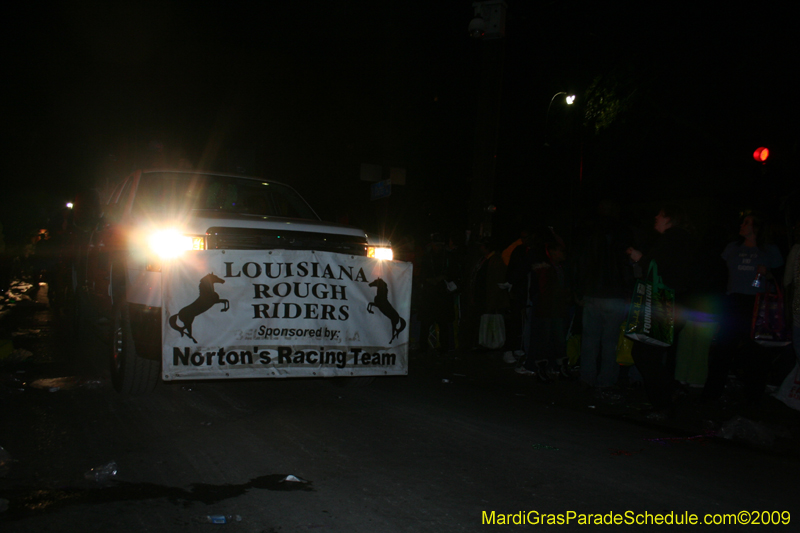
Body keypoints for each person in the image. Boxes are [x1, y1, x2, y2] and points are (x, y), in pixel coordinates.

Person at [702, 213, 783, 406]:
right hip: (734, 300)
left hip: (756, 302)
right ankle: (711, 393)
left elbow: (781, 278)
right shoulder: (732, 247)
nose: (742, 225)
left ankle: (753, 396)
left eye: (746, 223)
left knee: (755, 351)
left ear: (756, 228)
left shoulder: (769, 250)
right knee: (724, 347)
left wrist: (767, 274)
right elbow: (720, 273)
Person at [626, 204, 697, 418]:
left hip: (665, 305)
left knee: (645, 354)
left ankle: (663, 404)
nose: (656, 217)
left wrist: (639, 258)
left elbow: (658, 268)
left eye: (660, 214)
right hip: (677, 305)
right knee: (650, 354)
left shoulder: (671, 238)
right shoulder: (685, 240)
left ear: (670, 218)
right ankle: (669, 393)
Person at [574, 200, 635, 390]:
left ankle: (587, 377)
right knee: (610, 342)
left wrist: (579, 290)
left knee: (590, 340)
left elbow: (582, 262)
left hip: (593, 292)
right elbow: (626, 264)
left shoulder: (590, 231)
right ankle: (606, 381)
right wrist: (628, 291)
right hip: (615, 294)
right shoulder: (623, 232)